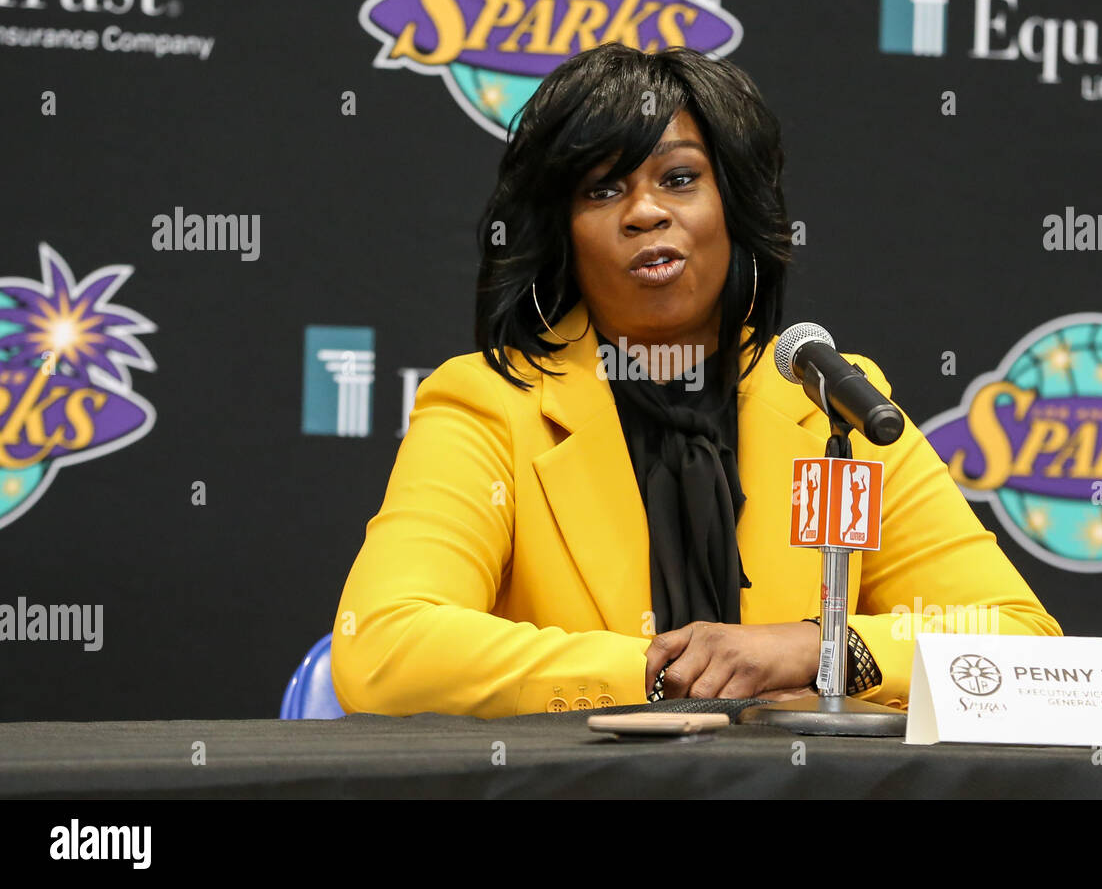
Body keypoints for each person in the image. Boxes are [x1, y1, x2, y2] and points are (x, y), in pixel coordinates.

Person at [331, 43, 1062, 719]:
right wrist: (666, 676)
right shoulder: (491, 403)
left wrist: (820, 646)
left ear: (734, 209)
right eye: (602, 190)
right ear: (562, 233)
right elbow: (385, 646)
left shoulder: (831, 403)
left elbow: (1017, 639)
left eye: (680, 178)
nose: (646, 211)